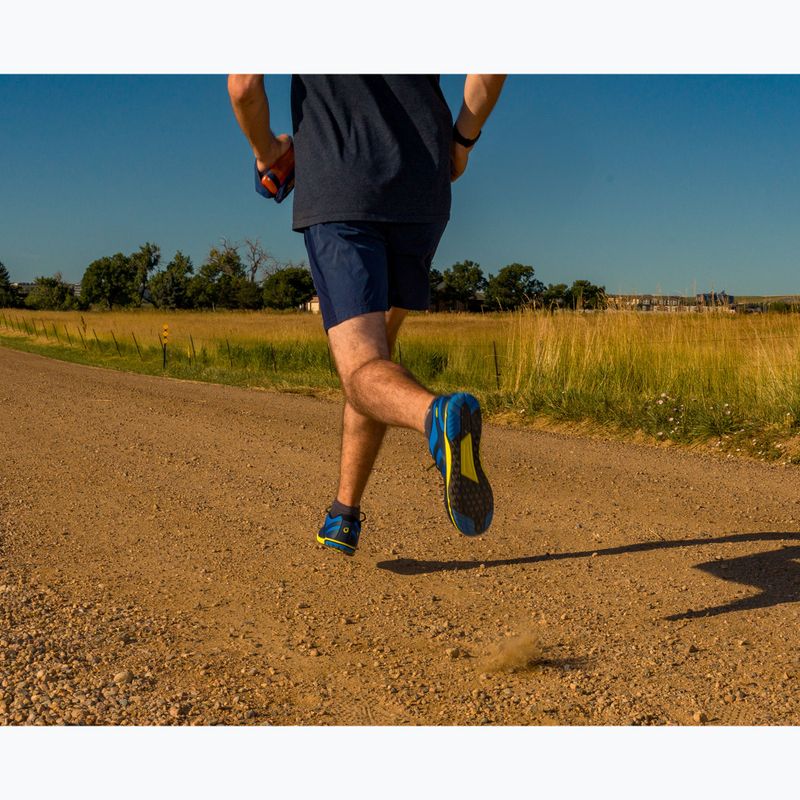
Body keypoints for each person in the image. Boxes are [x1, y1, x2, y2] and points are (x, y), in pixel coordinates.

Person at [228, 74, 506, 555]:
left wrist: (268, 152)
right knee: (377, 358)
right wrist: (462, 140)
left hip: (341, 190)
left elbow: (245, 86)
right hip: (422, 189)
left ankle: (434, 416)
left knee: (360, 369)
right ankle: (344, 511)